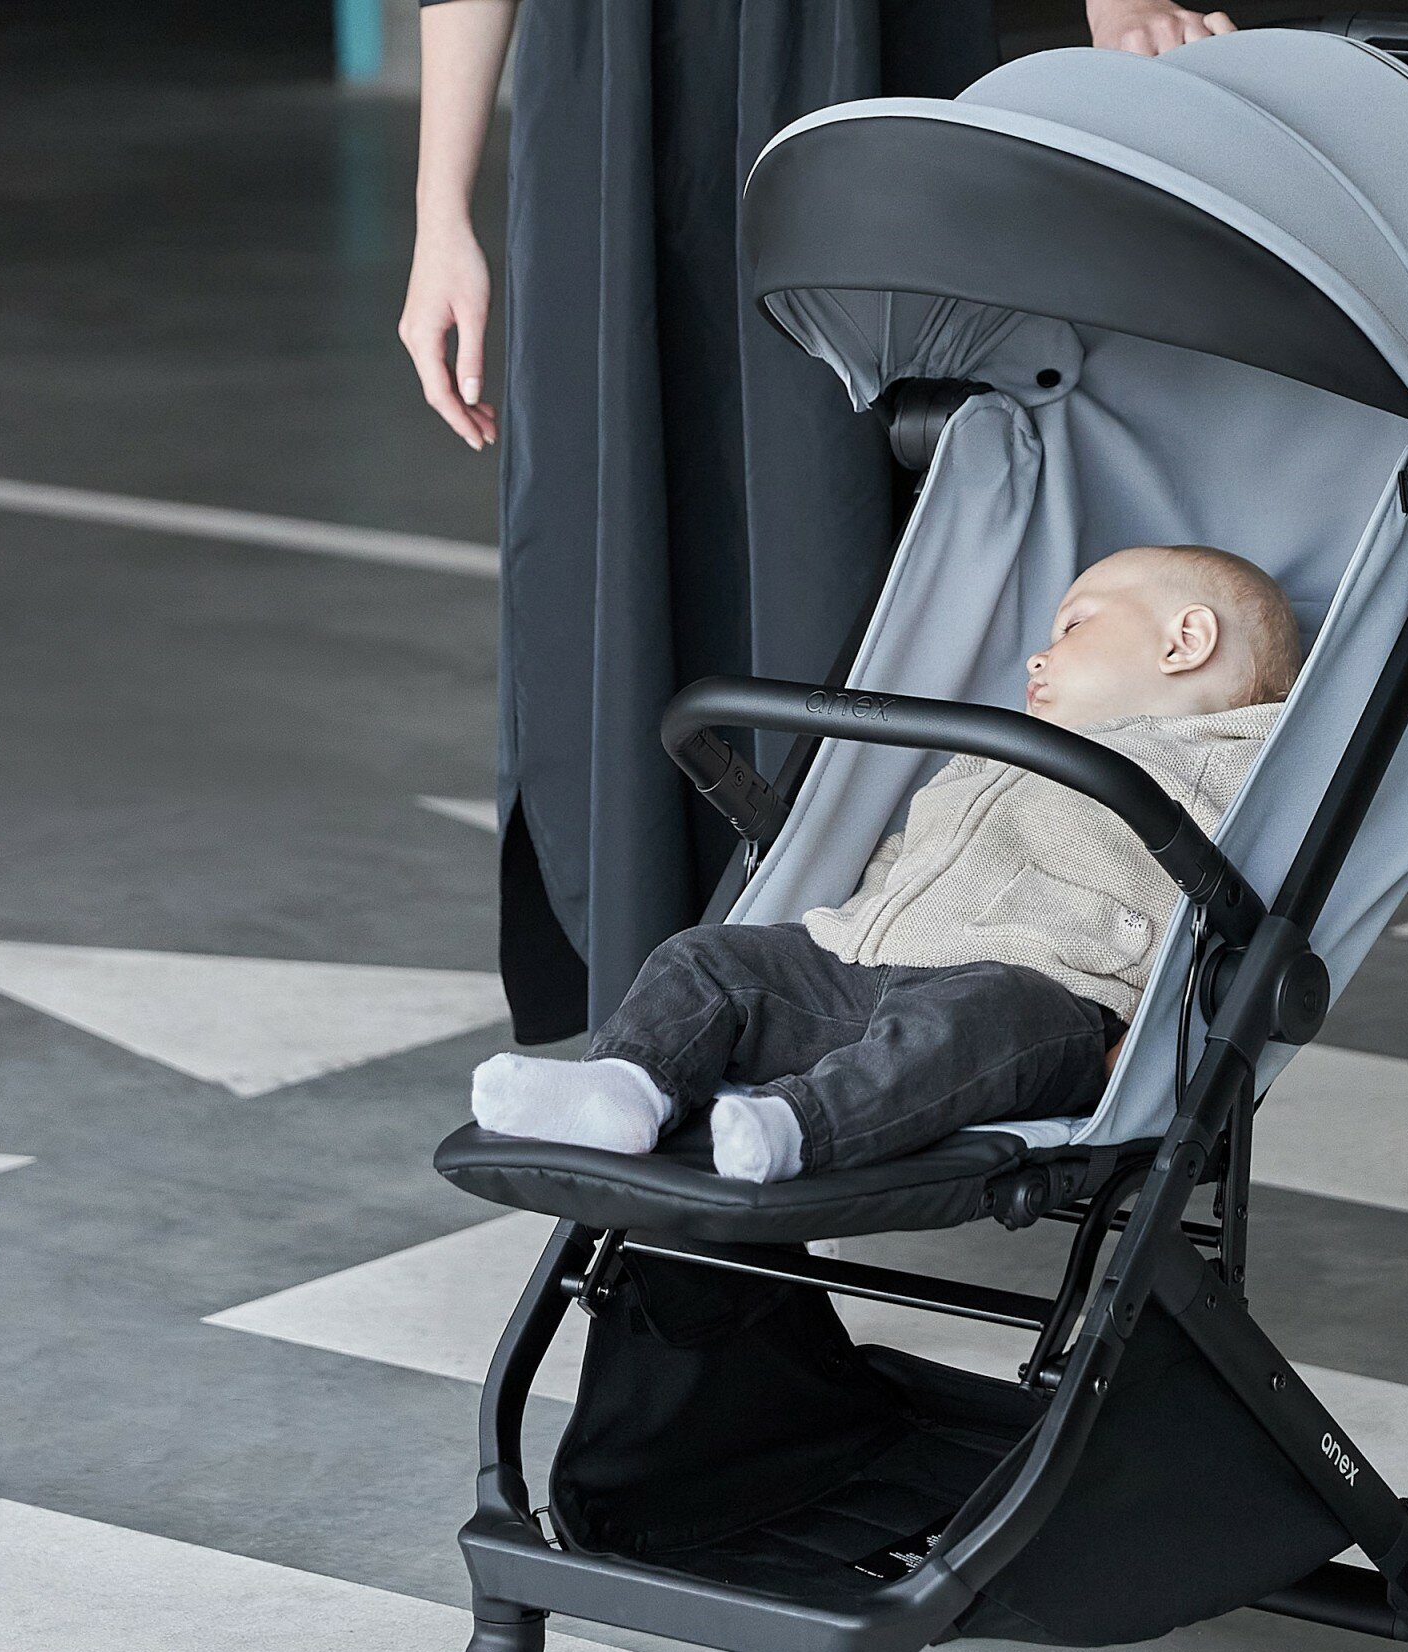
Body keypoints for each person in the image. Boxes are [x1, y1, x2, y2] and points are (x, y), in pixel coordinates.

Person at [400, 3, 1239, 1045]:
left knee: (856, 523)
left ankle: (866, 978)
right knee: (612, 529)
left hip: (856, 48)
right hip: (605, 88)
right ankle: (662, 1011)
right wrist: (440, 217)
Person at [471, 544, 1298, 1181]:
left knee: (964, 1022)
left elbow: (1218, 907)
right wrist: (847, 929)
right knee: (707, 958)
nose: (1036, 657)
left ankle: (799, 1127)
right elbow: (913, 849)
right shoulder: (1004, 751)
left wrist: (1148, 1037)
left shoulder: (1238, 764)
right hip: (865, 962)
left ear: (1185, 641)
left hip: (1044, 997)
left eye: (1073, 628)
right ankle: (625, 1086)